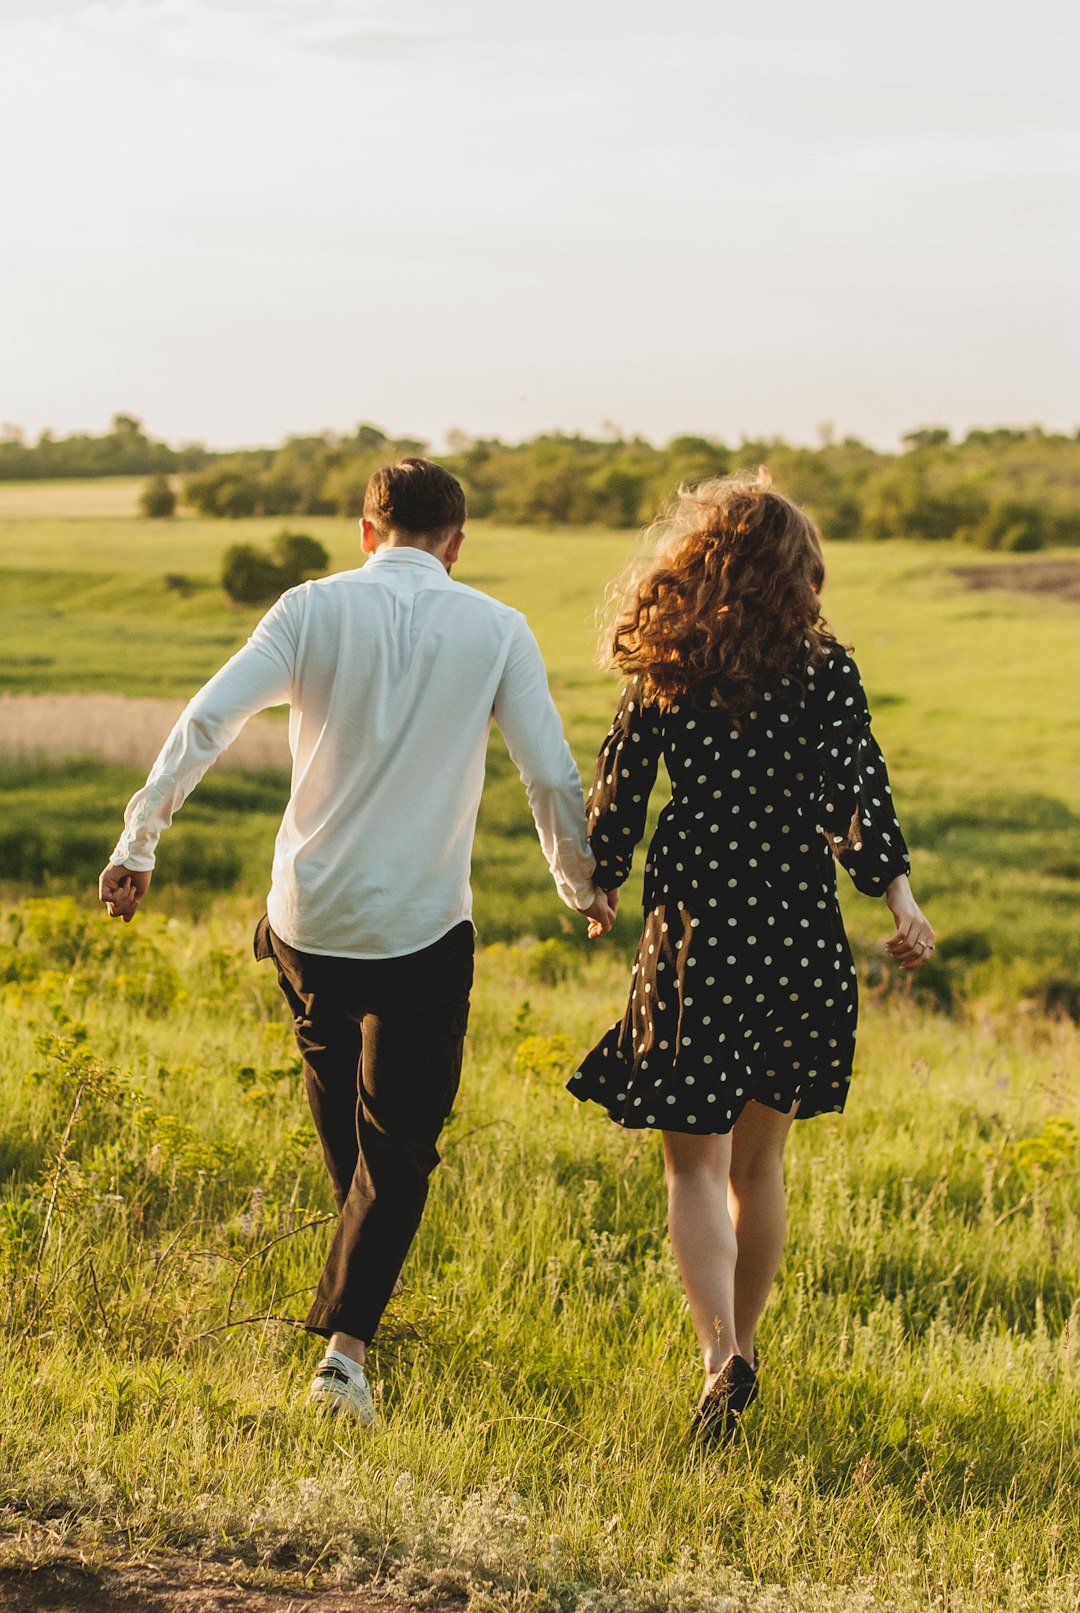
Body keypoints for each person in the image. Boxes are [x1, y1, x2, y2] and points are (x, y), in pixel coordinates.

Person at [100, 457, 615, 1423]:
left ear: (365, 531)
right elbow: (548, 773)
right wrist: (579, 883)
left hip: (306, 922)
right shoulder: (496, 628)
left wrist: (140, 841)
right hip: (419, 931)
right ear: (456, 545)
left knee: (351, 1121)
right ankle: (345, 1352)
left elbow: (209, 717)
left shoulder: (307, 609)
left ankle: (358, 1278)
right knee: (400, 1147)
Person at [567, 471, 934, 1440]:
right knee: (760, 1166)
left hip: (698, 932)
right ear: (795, 575)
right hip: (799, 935)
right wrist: (900, 898)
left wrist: (601, 879)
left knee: (695, 1167)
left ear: (700, 561)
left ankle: (718, 1349)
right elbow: (863, 796)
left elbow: (621, 780)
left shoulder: (669, 661)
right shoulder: (827, 671)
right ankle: (747, 1352)